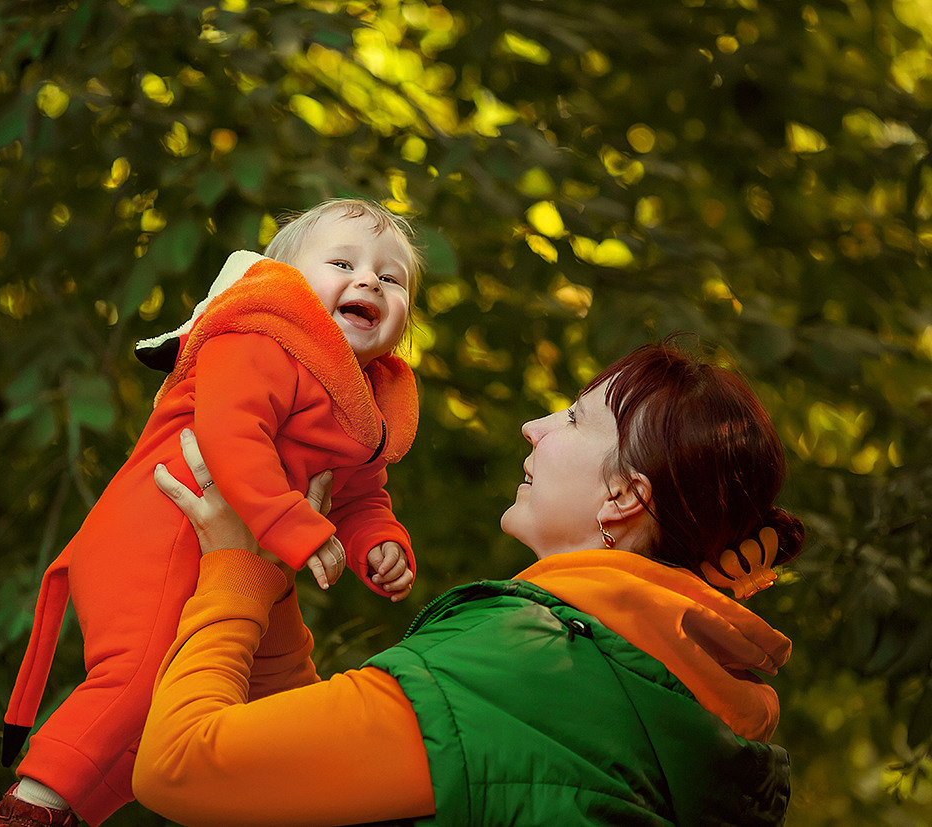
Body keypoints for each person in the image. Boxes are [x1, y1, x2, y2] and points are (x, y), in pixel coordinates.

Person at [133, 342, 805, 826]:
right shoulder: (649, 685)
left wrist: (234, 568)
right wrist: (274, 589)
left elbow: (178, 766)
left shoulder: (524, 658)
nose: (534, 427)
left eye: (573, 419)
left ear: (624, 497)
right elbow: (322, 770)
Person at [0, 199, 424, 827]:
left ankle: (80, 809)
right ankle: (27, 810)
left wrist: (380, 543)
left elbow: (360, 495)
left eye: (391, 277)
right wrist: (294, 525)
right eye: (343, 262)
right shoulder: (261, 337)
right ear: (284, 281)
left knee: (262, 709)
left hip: (249, 552)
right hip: (156, 531)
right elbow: (231, 437)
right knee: (134, 678)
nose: (371, 279)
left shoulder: (365, 402)